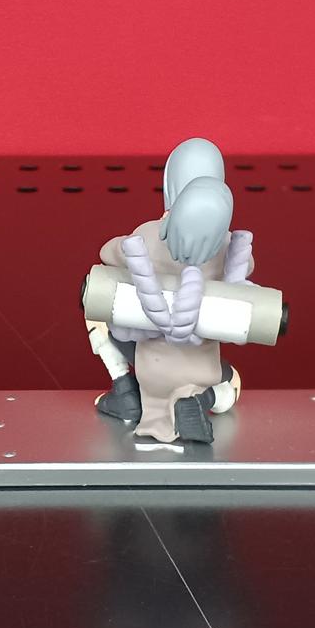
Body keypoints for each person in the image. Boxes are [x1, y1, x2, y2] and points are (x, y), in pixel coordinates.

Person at [89, 137, 247, 443]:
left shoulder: (147, 236)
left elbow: (108, 252)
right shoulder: (230, 248)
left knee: (96, 303)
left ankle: (124, 388)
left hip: (151, 362)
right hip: (204, 365)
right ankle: (201, 399)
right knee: (231, 383)